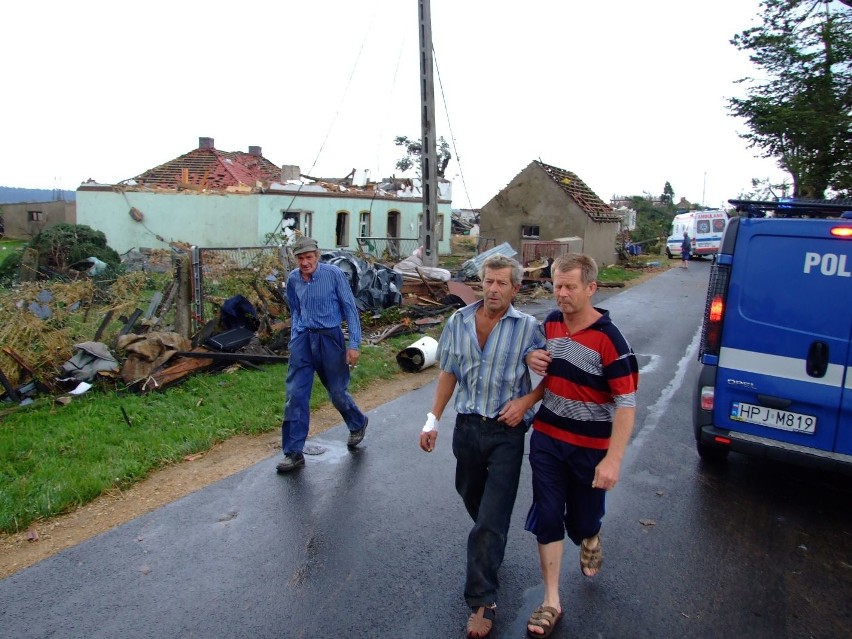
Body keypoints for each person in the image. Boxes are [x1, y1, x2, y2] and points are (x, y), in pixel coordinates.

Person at [419, 254, 545, 639]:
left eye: (501, 283)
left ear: (515, 288)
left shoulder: (529, 328)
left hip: (507, 431)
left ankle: (482, 601)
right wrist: (433, 419)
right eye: (488, 281)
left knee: (489, 520)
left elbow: (548, 379)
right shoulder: (457, 322)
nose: (493, 289)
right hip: (469, 428)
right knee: (471, 495)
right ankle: (491, 542)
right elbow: (449, 372)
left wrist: (526, 403)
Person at [521, 253, 639, 638]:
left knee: (582, 521)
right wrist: (532, 356)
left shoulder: (611, 340)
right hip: (548, 440)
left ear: (591, 288)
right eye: (557, 285)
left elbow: (626, 402)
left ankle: (590, 535)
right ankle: (551, 600)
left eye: (571, 286)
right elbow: (541, 362)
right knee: (549, 514)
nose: (562, 293)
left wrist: (613, 460)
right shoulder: (551, 324)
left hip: (590, 448)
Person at [276, 236, 369, 473]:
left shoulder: (333, 275)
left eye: (308, 257)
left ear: (317, 256)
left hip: (330, 339)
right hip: (303, 341)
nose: (305, 262)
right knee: (295, 396)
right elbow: (295, 310)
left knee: (337, 392)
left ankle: (357, 422)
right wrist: (295, 339)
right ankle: (293, 452)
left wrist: (354, 344)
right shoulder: (293, 279)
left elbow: (350, 308)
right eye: (300, 258)